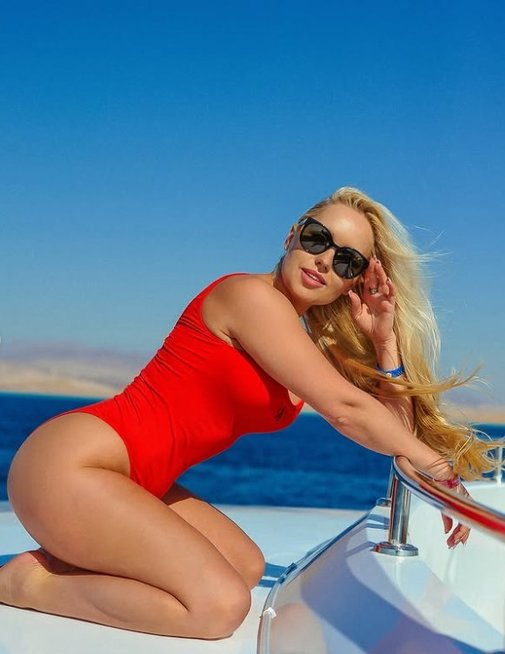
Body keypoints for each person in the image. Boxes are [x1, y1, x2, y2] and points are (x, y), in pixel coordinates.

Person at [0, 186, 496, 640]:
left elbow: (392, 431)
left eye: (347, 261)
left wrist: (385, 342)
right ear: (292, 234)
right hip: (73, 465)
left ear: (354, 282)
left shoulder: (299, 345)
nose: (325, 261)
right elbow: (348, 411)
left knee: (244, 567)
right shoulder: (249, 296)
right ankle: (26, 582)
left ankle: (73, 551)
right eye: (318, 239)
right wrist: (439, 469)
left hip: (135, 479)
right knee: (218, 606)